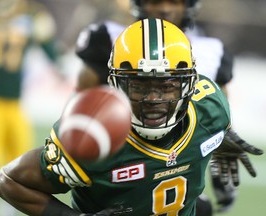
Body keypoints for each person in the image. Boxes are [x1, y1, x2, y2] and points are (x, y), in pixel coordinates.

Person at [0, 18, 263, 216]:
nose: (154, 99)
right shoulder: (94, 134)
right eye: (140, 85)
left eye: (166, 85)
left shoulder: (211, 108)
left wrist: (221, 140)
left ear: (189, 85)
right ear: (116, 85)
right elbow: (7, 181)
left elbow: (215, 125)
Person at [74, 0, 257, 214]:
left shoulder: (212, 51)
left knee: (201, 209)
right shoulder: (107, 38)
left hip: (176, 162)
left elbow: (219, 113)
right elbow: (80, 106)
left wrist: (219, 144)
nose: (164, 8)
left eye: (175, 1)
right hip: (119, 163)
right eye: (155, 0)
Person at [0, 0, 59, 215]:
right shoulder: (29, 19)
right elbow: (50, 51)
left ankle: (5, 205)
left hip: (11, 101)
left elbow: (49, 50)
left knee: (15, 155)